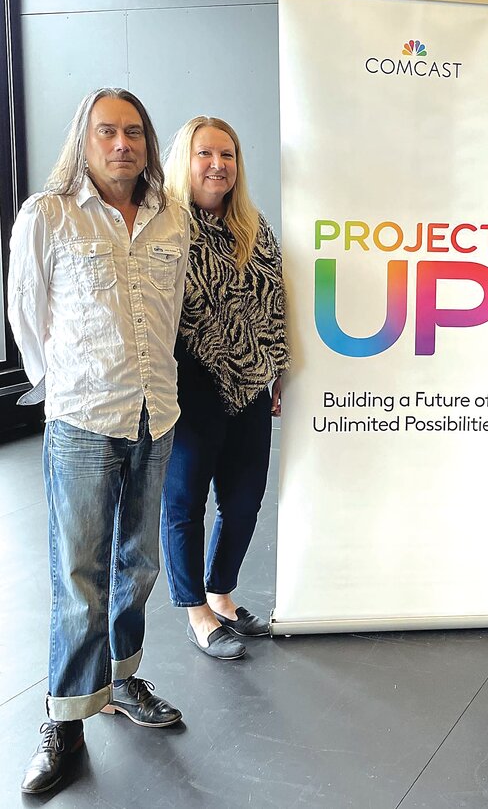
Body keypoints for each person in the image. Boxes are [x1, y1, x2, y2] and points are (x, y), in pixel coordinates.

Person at [9, 88, 189, 795]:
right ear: (84, 141)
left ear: (147, 143)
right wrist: (63, 389)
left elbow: (169, 311)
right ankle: (64, 722)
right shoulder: (46, 214)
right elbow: (27, 314)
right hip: (83, 418)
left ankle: (118, 681)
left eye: (135, 133)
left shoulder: (168, 215)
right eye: (108, 133)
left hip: (157, 412)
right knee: (77, 577)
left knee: (138, 563)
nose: (122, 145)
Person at [159, 116, 289, 660]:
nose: (218, 165)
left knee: (243, 500)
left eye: (228, 155)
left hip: (252, 383)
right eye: (205, 154)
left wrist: (275, 368)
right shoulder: (163, 228)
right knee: (185, 502)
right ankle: (195, 611)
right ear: (184, 162)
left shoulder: (253, 229)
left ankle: (222, 591)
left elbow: (276, 300)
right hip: (188, 382)